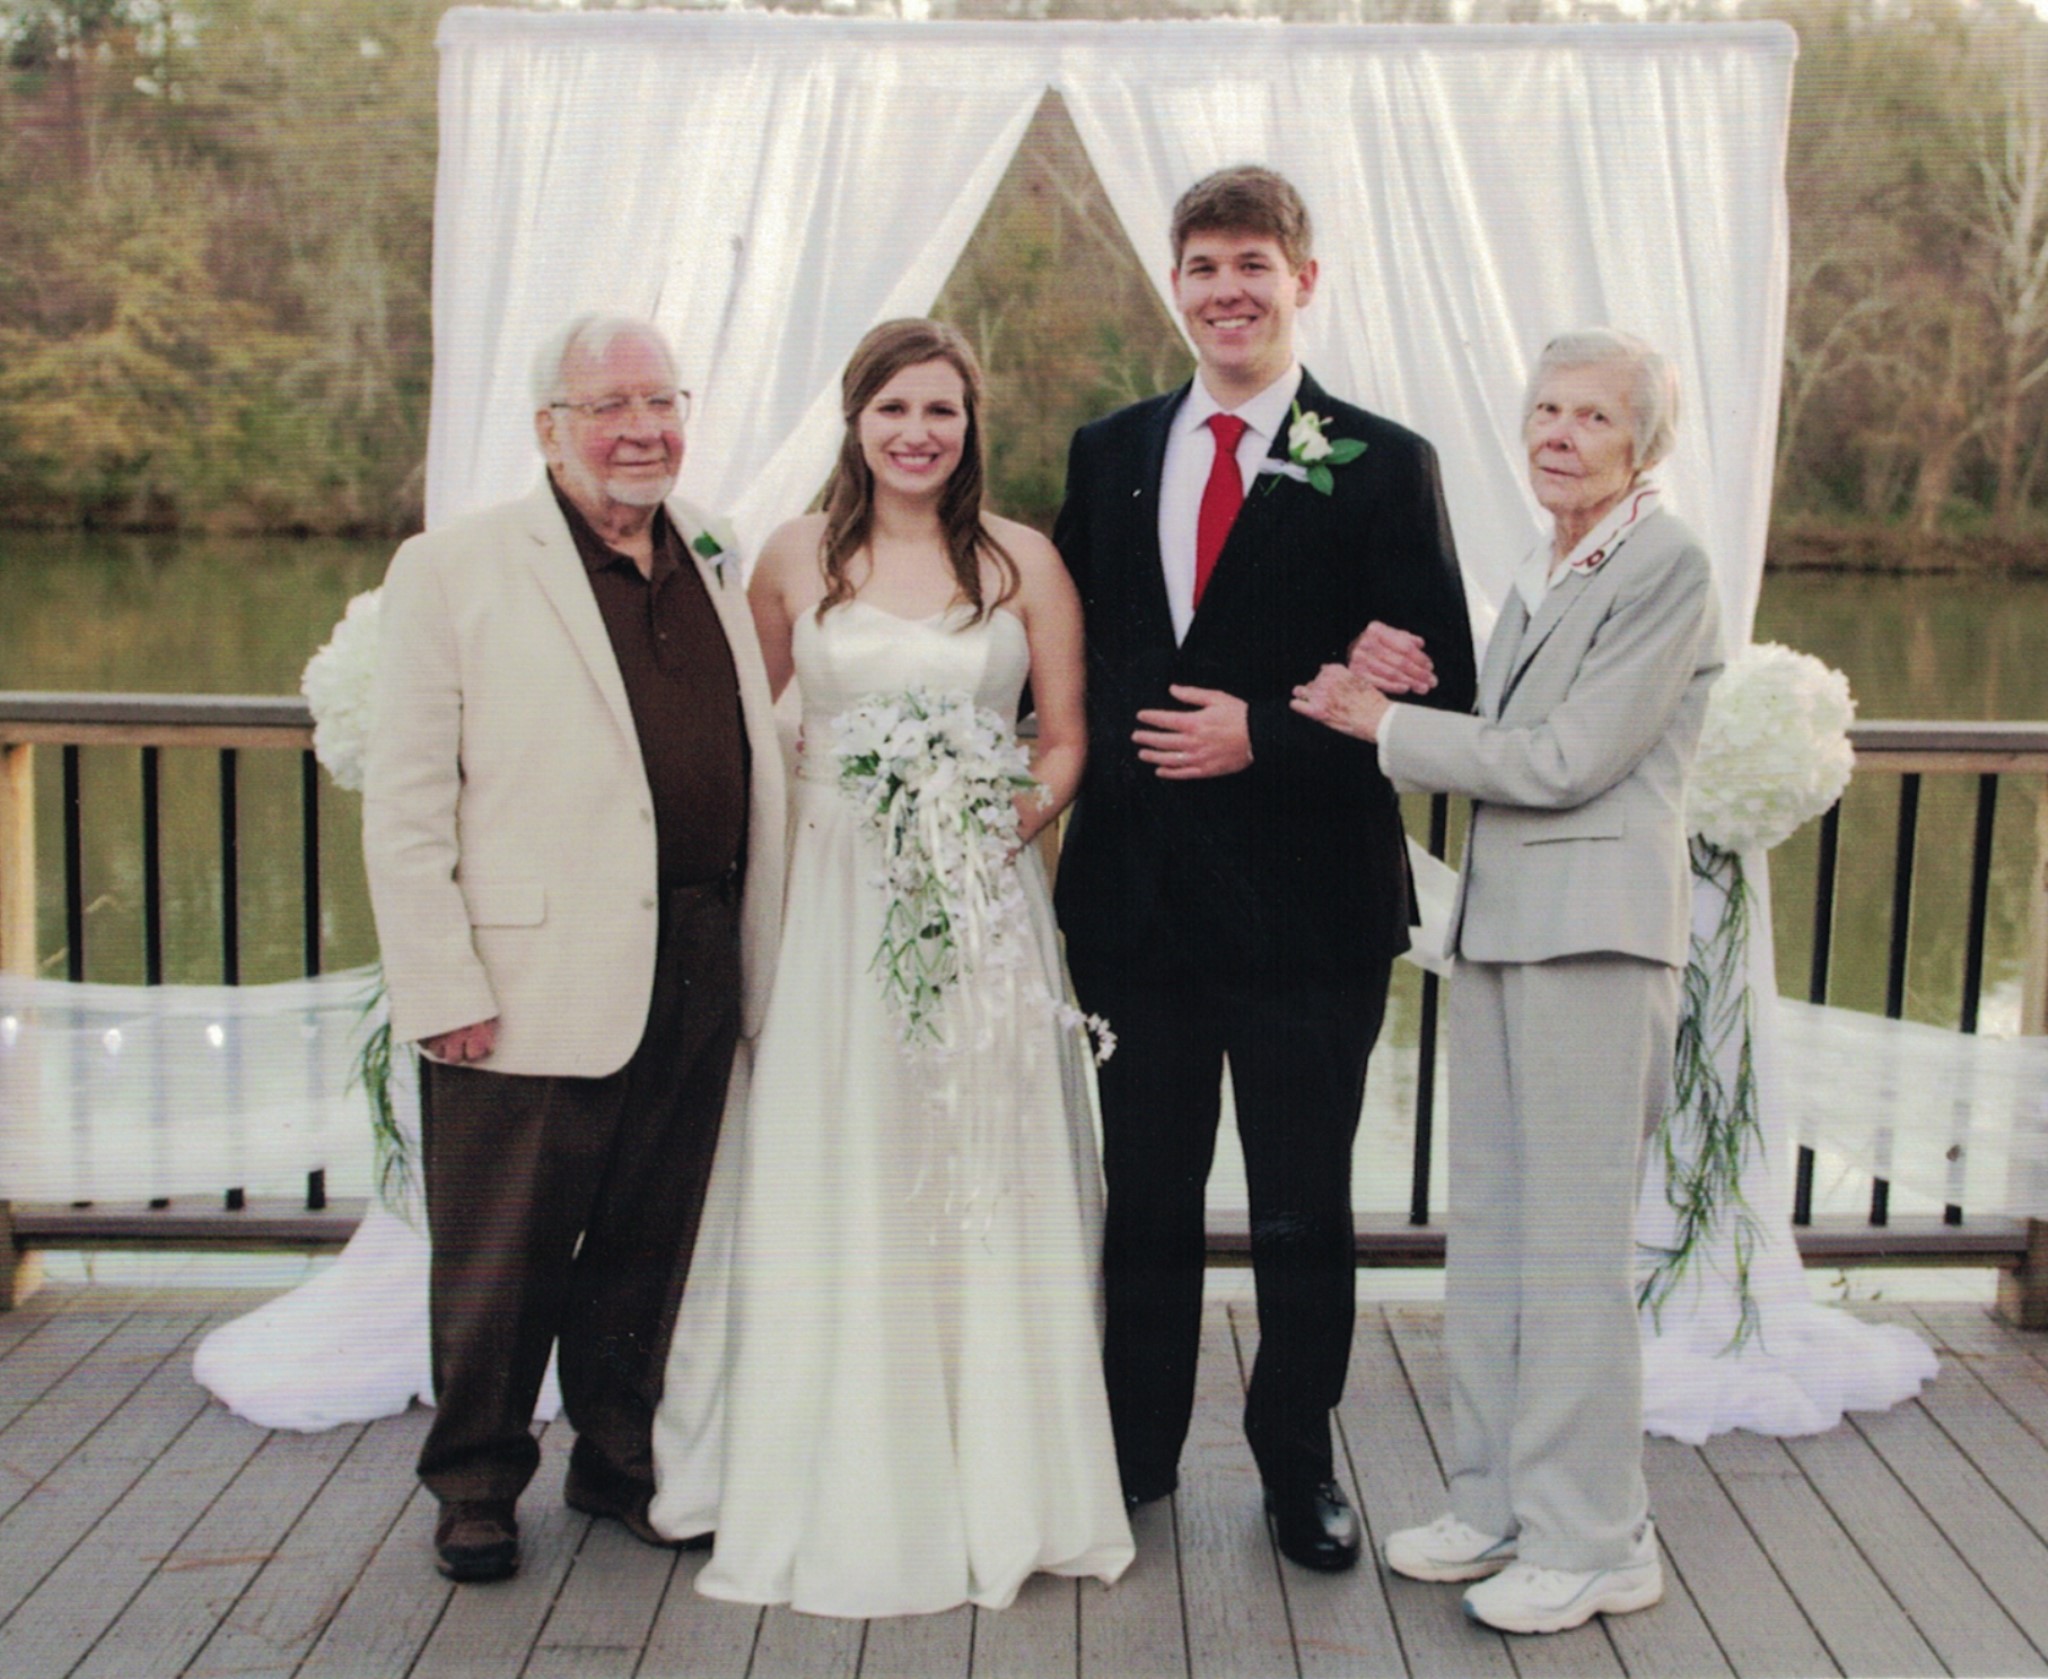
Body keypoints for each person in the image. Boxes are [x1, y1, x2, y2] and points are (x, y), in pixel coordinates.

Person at [648, 318, 1134, 1616]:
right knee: (836, 1145)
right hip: (827, 903)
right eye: (893, 408)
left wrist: (991, 822)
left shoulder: (1023, 560)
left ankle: (997, 1474)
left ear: (972, 425)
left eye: (941, 410)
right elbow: (737, 730)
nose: (918, 432)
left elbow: (1064, 740)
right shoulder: (795, 554)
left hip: (977, 903)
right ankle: (811, 1462)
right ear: (855, 420)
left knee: (970, 1155)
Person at [1051, 165, 1476, 1572]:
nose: (1227, 290)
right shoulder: (1107, 450)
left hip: (1311, 910)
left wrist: (1270, 730)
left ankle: (1298, 1467)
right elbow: (1061, 652)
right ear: (1174, 282)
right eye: (1204, 265)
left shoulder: (1384, 459)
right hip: (1136, 908)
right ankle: (1133, 1455)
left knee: (1301, 1204)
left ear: (1303, 279)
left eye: (1253, 263)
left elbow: (1443, 686)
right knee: (1147, 1201)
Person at [1290, 328, 1723, 1634]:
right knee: (1492, 1230)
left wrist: (1385, 725)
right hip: (1502, 933)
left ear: (1641, 442)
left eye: (1592, 416)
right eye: (1545, 409)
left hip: (1595, 940)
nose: (1558, 434)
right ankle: (1494, 1503)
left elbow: (1565, 759)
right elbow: (1506, 733)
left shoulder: (1664, 562)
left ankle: (1595, 1538)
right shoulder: (1548, 563)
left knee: (1573, 1250)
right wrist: (1401, 686)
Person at [361, 314, 787, 1583]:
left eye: (661, 400)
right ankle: (475, 1482)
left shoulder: (707, 548)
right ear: (549, 426)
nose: (641, 429)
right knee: (503, 1250)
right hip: (527, 976)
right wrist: (440, 981)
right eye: (608, 406)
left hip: (699, 948)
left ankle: (616, 1456)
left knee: (652, 1235)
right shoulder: (454, 567)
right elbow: (406, 802)